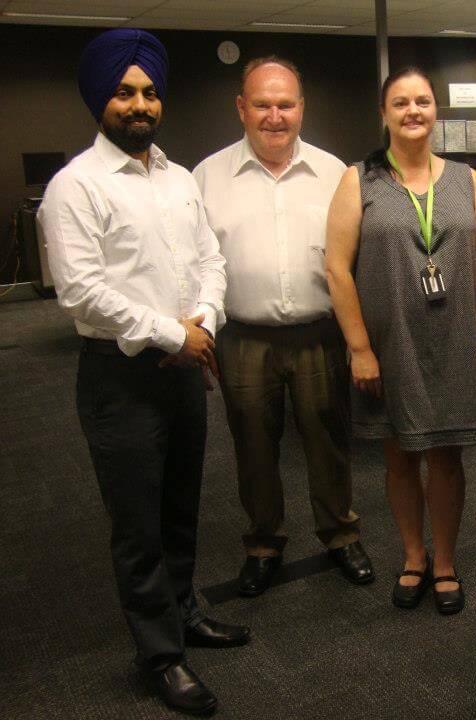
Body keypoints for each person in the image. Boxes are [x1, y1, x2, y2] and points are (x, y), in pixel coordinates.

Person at [38, 28, 249, 716]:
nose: (140, 104)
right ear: (101, 99)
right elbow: (82, 292)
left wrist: (204, 322)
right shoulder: (75, 186)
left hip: (187, 363)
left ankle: (184, 612)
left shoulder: (179, 178)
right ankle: (160, 655)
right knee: (137, 523)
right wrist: (172, 334)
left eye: (150, 92)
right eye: (126, 93)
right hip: (120, 378)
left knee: (181, 504)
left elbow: (210, 260)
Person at [193, 56, 372, 598]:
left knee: (328, 440)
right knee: (253, 447)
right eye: (263, 105)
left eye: (286, 104)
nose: (275, 116)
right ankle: (264, 544)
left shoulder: (334, 173)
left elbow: (354, 259)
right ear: (241, 108)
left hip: (319, 332)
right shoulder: (206, 177)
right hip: (243, 338)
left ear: (302, 108)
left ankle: (340, 534)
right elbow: (195, 264)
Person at [325, 67, 476, 615]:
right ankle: (414, 556)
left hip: (453, 341)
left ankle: (444, 562)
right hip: (390, 342)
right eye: (400, 103)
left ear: (436, 110)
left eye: (422, 101)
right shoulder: (359, 180)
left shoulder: (466, 180)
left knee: (446, 457)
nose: (413, 111)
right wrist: (359, 349)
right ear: (384, 113)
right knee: (399, 455)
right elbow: (336, 269)